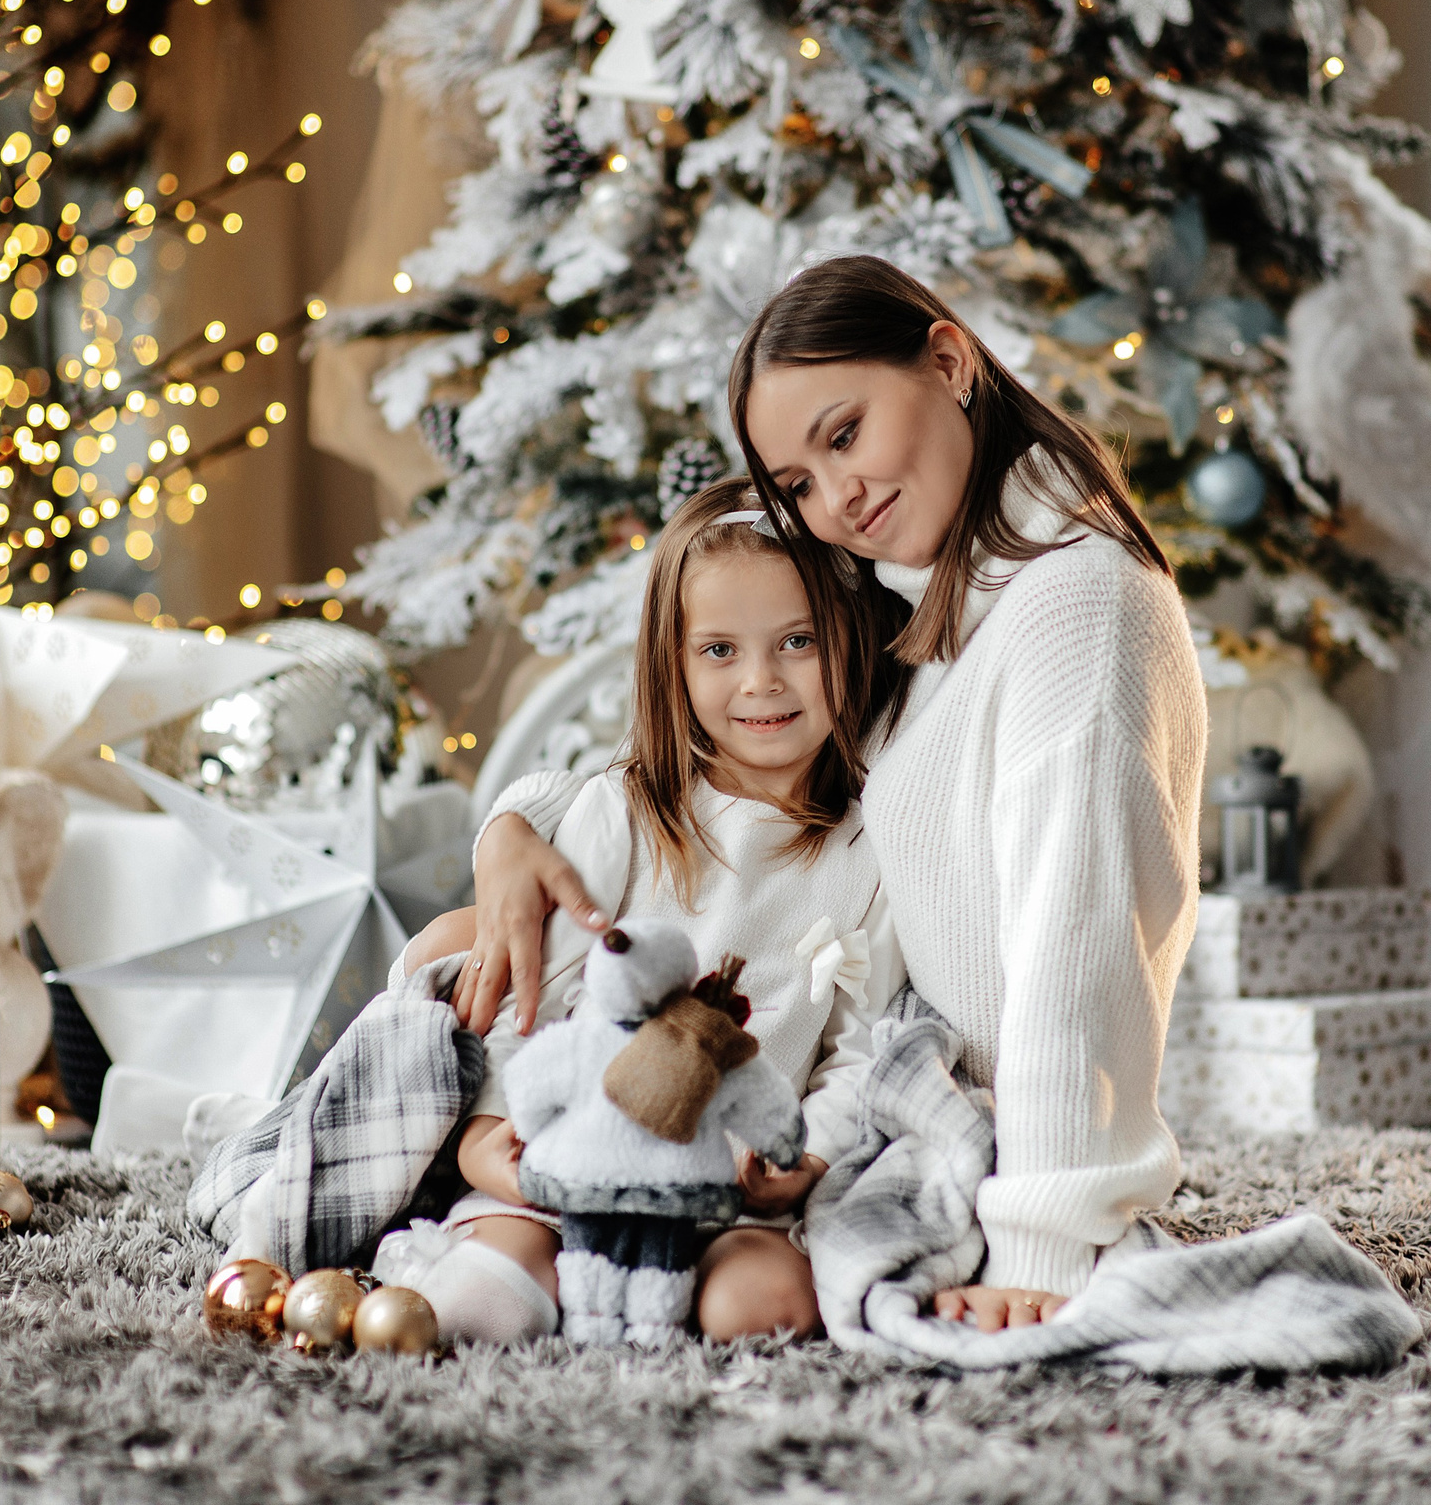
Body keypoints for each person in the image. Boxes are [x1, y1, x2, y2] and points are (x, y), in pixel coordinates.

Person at [468, 256, 1205, 1333]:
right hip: (893, 1080)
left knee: (756, 1294)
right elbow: (678, 762)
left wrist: (1040, 1250)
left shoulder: (1071, 607)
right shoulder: (944, 600)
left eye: (844, 433)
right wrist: (511, 828)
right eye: (799, 482)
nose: (836, 498)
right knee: (465, 942)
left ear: (948, 361)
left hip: (976, 1123)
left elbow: (1078, 944)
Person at [383, 479, 904, 1344]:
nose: (762, 681)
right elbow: (533, 991)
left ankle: (678, 1294)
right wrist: (487, 1131)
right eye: (720, 650)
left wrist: (805, 1152)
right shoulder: (626, 811)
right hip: (584, 1162)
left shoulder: (870, 850)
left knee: (762, 1308)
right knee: (497, 1281)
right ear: (674, 660)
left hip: (734, 1190)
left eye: (798, 641)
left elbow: (859, 1043)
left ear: (849, 640)